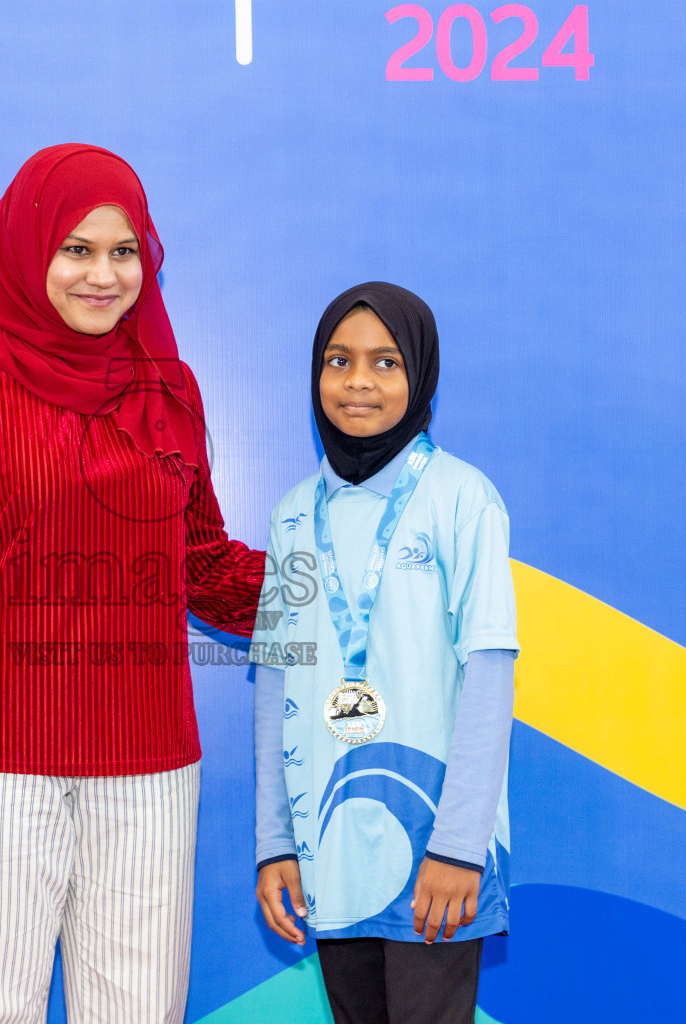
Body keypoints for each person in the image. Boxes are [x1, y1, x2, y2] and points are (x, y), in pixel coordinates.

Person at [0, 143, 264, 1024]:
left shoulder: (173, 390)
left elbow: (205, 567)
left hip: (152, 772)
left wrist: (354, 589)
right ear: (25, 251)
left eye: (123, 251)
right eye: (75, 249)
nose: (102, 274)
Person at [250, 283, 518, 1024]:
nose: (358, 381)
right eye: (338, 361)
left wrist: (460, 847)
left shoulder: (465, 499)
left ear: (421, 376)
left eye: (385, 362)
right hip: (331, 847)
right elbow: (275, 681)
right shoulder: (293, 513)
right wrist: (277, 843)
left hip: (435, 849)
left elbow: (490, 679)